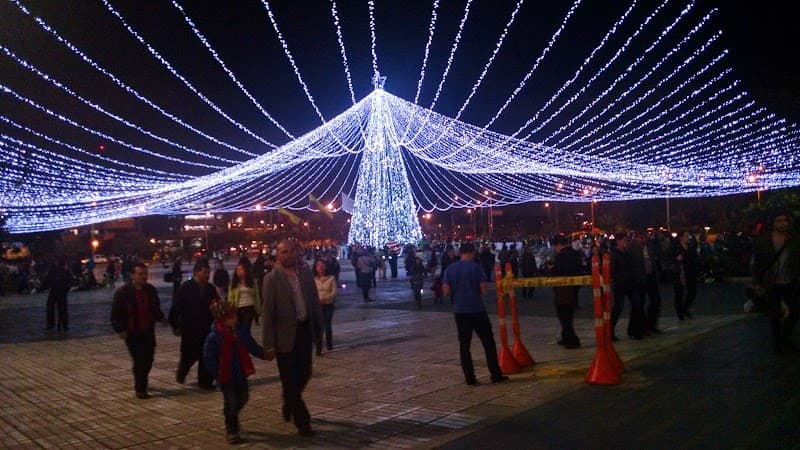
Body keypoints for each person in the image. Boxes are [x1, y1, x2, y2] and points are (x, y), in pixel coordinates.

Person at [262, 240, 324, 436]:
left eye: (291, 251)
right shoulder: (271, 279)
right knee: (289, 379)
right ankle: (303, 422)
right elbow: (268, 314)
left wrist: (319, 329)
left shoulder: (305, 274)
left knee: (305, 372)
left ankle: (289, 400)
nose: (289, 255)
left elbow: (314, 303)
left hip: (304, 331)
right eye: (284, 252)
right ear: (278, 255)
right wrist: (268, 345)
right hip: (284, 336)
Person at [443, 243, 508, 386]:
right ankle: (495, 374)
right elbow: (483, 290)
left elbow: (446, 291)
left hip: (460, 311)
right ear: (471, 253)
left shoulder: (450, 269)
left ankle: (470, 378)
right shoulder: (476, 268)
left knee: (464, 345)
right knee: (488, 343)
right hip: (477, 309)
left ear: (461, 253)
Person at [203, 300, 265, 444]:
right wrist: (217, 373)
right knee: (230, 402)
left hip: (240, 372)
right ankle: (232, 430)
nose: (234, 319)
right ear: (222, 319)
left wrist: (263, 354)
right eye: (230, 317)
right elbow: (208, 357)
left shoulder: (240, 331)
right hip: (225, 376)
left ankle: (231, 415)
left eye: (235, 316)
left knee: (243, 398)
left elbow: (250, 345)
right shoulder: (215, 336)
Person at [111, 263, 167, 399]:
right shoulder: (123, 293)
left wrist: (161, 318)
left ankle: (142, 379)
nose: (143, 277)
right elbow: (115, 314)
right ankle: (140, 388)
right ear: (133, 276)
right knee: (139, 359)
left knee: (148, 359)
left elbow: (155, 308)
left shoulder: (150, 290)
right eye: (140, 274)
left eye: (145, 274)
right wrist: (120, 329)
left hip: (148, 330)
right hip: (133, 332)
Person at [752, 211, 800, 355]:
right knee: (774, 314)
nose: (782, 223)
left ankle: (785, 337)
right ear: (773, 223)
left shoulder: (794, 239)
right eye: (779, 220)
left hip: (790, 280)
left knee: (795, 311)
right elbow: (757, 263)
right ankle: (777, 344)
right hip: (771, 282)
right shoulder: (764, 240)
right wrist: (757, 282)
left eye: (785, 220)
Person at [169, 261, 219, 389]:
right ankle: (182, 371)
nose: (207, 275)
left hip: (206, 327)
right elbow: (176, 306)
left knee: (206, 354)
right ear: (196, 272)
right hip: (190, 328)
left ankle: (205, 382)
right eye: (205, 272)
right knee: (189, 355)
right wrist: (175, 324)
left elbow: (216, 305)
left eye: (208, 272)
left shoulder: (210, 288)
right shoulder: (186, 287)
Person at [610, 233, 646, 340]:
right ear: (618, 241)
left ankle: (634, 330)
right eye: (624, 240)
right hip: (620, 283)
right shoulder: (614, 254)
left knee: (637, 305)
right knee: (618, 308)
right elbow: (613, 269)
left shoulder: (627, 252)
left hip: (630, 282)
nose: (626, 242)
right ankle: (610, 330)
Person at [550, 236, 582, 348]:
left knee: (564, 315)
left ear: (559, 245)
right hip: (573, 288)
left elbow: (557, 272)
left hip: (563, 289)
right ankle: (566, 337)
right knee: (568, 315)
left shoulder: (562, 256)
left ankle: (571, 339)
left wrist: (551, 269)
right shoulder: (575, 254)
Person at [314, 259, 337, 354]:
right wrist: (317, 300)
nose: (321, 267)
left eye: (322, 265)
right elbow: (312, 292)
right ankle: (318, 347)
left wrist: (326, 298)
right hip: (318, 305)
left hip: (328, 304)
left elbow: (334, 292)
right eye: (318, 265)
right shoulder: (314, 279)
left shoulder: (331, 278)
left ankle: (329, 344)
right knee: (319, 326)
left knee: (327, 323)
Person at [673, 230, 698, 320]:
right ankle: (680, 313)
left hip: (690, 271)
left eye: (689, 236)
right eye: (686, 236)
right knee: (679, 293)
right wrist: (676, 259)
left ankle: (685, 308)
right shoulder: (676, 247)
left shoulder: (691, 247)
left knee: (692, 291)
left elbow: (694, 257)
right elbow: (670, 257)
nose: (688, 238)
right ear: (681, 237)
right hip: (679, 272)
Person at [228, 262, 261, 331]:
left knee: (246, 327)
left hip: (249, 306)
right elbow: (230, 297)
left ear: (245, 270)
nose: (239, 271)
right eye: (237, 270)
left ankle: (246, 336)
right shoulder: (234, 283)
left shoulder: (252, 281)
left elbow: (256, 295)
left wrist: (258, 308)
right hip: (238, 307)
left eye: (241, 269)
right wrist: (231, 308)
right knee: (239, 327)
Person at [45, 256, 72, 331]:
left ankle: (51, 324)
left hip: (55, 290)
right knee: (62, 308)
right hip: (61, 291)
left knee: (51, 307)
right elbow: (69, 279)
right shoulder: (64, 270)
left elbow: (48, 279)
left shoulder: (53, 270)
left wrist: (44, 286)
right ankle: (64, 325)